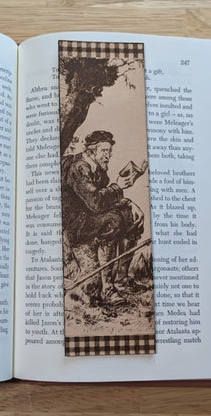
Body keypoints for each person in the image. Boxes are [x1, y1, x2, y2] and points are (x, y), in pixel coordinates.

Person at [61, 130, 144, 307]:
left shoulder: (98, 168)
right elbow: (96, 202)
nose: (108, 155)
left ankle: (121, 281)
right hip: (78, 223)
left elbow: (104, 198)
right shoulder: (80, 168)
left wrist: (128, 203)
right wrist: (118, 187)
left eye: (109, 151)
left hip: (90, 217)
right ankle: (107, 288)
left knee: (133, 217)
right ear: (92, 150)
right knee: (114, 221)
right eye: (104, 151)